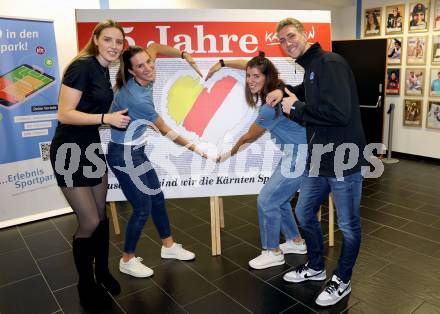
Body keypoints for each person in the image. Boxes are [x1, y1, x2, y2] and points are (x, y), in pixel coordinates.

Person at [266, 18, 367, 307]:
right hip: (320, 159)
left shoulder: (330, 62)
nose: (288, 43)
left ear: (305, 34)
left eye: (291, 36)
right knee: (305, 212)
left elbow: (339, 113)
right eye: (282, 40)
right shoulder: (313, 67)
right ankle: (315, 266)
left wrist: (295, 108)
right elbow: (312, 91)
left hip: (343, 160)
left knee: (348, 226)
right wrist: (285, 89)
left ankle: (343, 279)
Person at [49, 20, 130, 310]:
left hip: (91, 147)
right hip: (69, 149)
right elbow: (64, 114)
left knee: (102, 214)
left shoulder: (103, 68)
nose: (114, 46)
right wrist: (106, 119)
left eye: (118, 42)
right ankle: (85, 282)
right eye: (108, 40)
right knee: (90, 221)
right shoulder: (82, 65)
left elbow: (91, 106)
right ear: (96, 40)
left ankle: (103, 271)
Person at [106, 45, 203, 278]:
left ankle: (168, 246)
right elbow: (165, 130)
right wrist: (194, 146)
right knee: (142, 208)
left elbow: (156, 47)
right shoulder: (137, 98)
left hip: (136, 151)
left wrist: (183, 55)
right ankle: (127, 259)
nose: (149, 67)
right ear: (131, 71)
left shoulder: (144, 73)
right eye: (141, 66)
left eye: (149, 62)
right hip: (123, 155)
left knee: (157, 197)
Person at [205, 52, 307, 270]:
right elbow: (254, 67)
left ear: (266, 78)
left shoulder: (269, 106)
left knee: (266, 200)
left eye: (256, 77)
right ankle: (295, 242)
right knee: (279, 199)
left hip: (300, 156)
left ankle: (272, 251)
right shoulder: (278, 88)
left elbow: (248, 136)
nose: (250, 80)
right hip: (296, 154)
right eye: (248, 76)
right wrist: (223, 63)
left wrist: (227, 154)